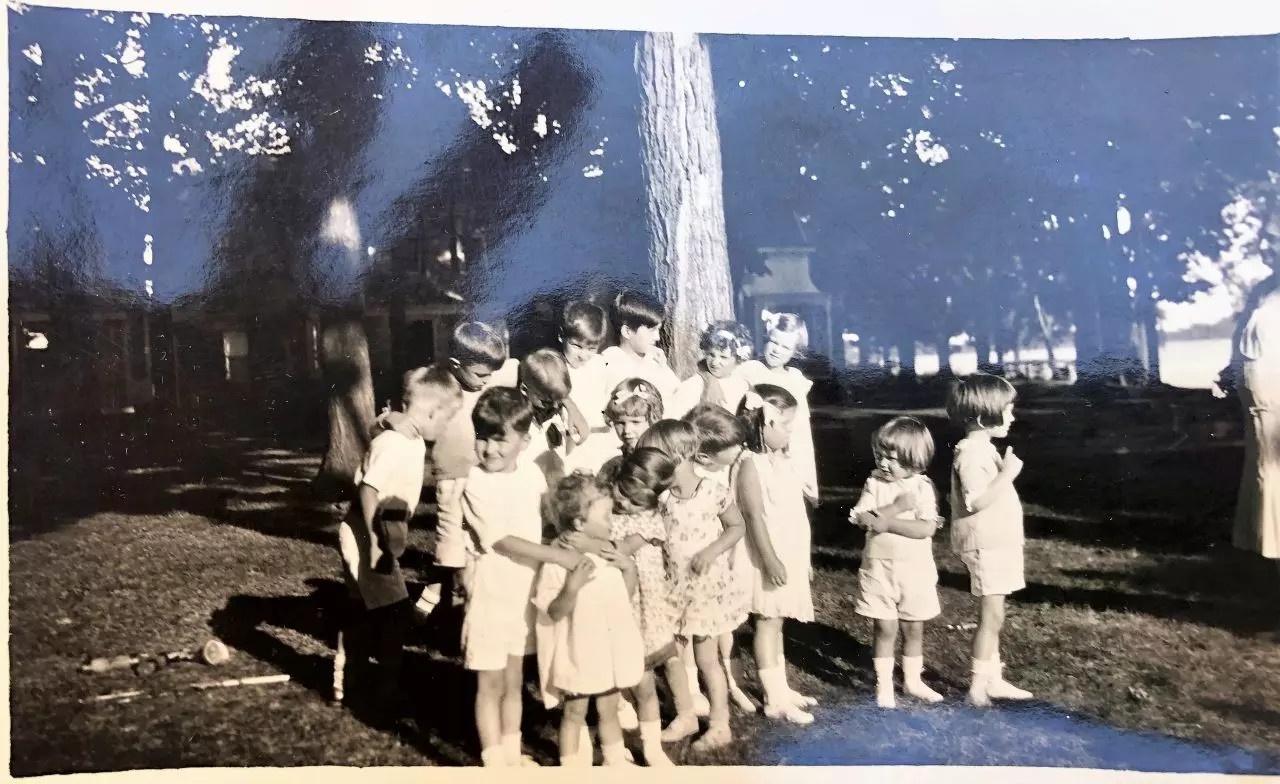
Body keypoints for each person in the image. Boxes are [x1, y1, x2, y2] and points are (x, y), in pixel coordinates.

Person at [459, 387, 590, 766]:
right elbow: (503, 541)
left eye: (501, 440)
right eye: (481, 438)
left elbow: (545, 517)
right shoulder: (477, 482)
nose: (490, 449)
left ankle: (511, 751)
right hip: (491, 593)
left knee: (515, 680)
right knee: (490, 682)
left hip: (524, 594)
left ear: (524, 441)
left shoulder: (531, 474)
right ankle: (492, 758)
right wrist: (557, 556)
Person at [334, 366, 463, 720]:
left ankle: (347, 684)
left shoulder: (409, 438)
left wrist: (387, 417)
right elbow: (368, 488)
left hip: (368, 533)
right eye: (447, 418)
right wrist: (376, 542)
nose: (447, 427)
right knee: (394, 613)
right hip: (366, 534)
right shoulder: (395, 443)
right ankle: (385, 690)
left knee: (360, 609)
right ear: (432, 412)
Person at [380, 321, 512, 623]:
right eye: (481, 373)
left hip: (485, 478)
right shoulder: (436, 385)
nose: (487, 379)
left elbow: (527, 369)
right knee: (451, 547)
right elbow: (396, 414)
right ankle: (441, 607)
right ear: (457, 364)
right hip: (453, 480)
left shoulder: (489, 383)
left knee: (481, 542)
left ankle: (443, 604)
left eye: (491, 373)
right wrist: (392, 419)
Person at [534, 472, 645, 767]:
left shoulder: (609, 553)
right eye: (607, 515)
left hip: (609, 650)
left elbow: (625, 598)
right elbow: (553, 611)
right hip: (579, 651)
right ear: (580, 524)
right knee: (574, 713)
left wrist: (628, 568)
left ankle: (614, 762)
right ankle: (572, 767)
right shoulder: (560, 562)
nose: (613, 521)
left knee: (609, 710)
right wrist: (572, 587)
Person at [662, 405, 751, 751]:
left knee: (706, 658)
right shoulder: (664, 497)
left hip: (705, 590)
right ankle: (685, 715)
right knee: (674, 656)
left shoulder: (712, 491)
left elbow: (736, 526)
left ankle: (719, 724)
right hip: (674, 589)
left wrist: (711, 551)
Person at [946, 374, 1033, 707]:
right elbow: (975, 500)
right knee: (991, 616)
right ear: (984, 418)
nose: (1011, 417)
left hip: (996, 541)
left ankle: (993, 678)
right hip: (985, 544)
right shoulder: (971, 454)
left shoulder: (981, 449)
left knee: (995, 613)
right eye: (1007, 411)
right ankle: (978, 686)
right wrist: (1008, 473)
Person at [735, 385, 819, 724]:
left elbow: (795, 513)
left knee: (778, 621)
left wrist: (805, 560)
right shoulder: (750, 465)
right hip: (766, 555)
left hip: (789, 550)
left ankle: (781, 687)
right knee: (767, 623)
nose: (790, 432)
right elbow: (754, 515)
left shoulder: (782, 460)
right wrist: (769, 559)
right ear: (761, 424)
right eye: (784, 425)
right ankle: (772, 697)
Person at [849, 416, 945, 708]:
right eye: (880, 456)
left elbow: (926, 529)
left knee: (913, 627)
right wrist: (896, 509)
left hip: (914, 571)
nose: (884, 463)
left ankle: (913, 681)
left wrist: (885, 523)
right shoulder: (874, 483)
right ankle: (884, 685)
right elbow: (861, 517)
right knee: (885, 627)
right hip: (879, 569)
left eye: (891, 458)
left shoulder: (922, 487)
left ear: (914, 460)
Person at [607, 448, 687, 758]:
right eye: (622, 493)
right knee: (611, 666)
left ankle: (652, 746)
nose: (624, 503)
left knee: (642, 672)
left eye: (634, 501)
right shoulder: (612, 510)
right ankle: (617, 716)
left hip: (641, 607)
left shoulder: (651, 521)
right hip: (616, 599)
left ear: (653, 501)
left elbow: (621, 549)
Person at [1226, 273, 1280, 630]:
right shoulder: (1265, 302)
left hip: (1265, 398)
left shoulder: (1264, 303)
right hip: (1265, 399)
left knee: (1269, 473)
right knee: (1269, 473)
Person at [735, 312, 819, 504]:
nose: (776, 350)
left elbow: (801, 433)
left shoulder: (795, 381)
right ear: (766, 338)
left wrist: (806, 479)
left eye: (785, 347)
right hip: (753, 451)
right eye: (773, 342)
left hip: (784, 456)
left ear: (795, 351)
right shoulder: (750, 371)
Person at [559, 301, 622, 473]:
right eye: (576, 346)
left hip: (600, 440)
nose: (583, 354)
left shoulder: (601, 364)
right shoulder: (557, 367)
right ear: (561, 336)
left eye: (591, 348)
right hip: (570, 442)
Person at [601, 290, 681, 405]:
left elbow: (677, 394)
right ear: (627, 332)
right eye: (651, 330)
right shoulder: (609, 363)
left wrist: (662, 367)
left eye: (658, 329)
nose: (657, 337)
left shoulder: (654, 360)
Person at [669, 320, 754, 419]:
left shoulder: (743, 383)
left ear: (738, 359)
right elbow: (673, 418)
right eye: (711, 355)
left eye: (723, 357)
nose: (714, 362)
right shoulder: (694, 386)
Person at [598, 378, 665, 481]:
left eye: (635, 422)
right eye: (620, 423)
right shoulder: (613, 467)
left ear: (654, 420)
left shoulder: (662, 462)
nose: (626, 430)